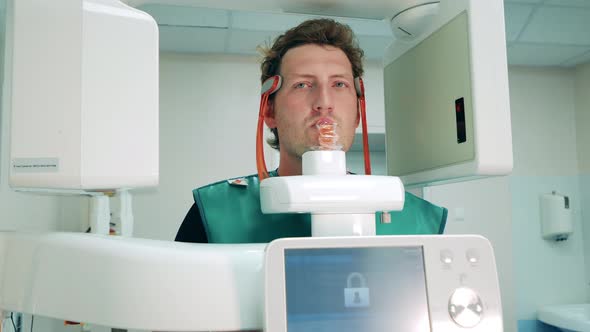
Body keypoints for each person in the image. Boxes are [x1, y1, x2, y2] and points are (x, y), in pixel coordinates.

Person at [175, 18, 447, 244]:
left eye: (339, 85)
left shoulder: (418, 221)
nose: (324, 103)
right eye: (303, 85)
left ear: (357, 113)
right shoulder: (214, 214)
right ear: (269, 111)